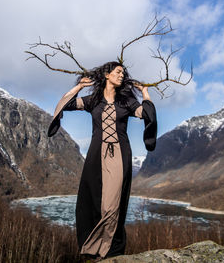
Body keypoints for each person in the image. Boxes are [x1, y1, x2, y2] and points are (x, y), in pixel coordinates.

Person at [48, 61, 157, 260]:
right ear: (107, 75)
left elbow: (147, 114)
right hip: (96, 155)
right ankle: (94, 250)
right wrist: (80, 86)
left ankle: (111, 250)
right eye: (118, 72)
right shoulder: (93, 101)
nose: (121, 75)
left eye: (123, 73)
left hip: (120, 154)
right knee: (93, 200)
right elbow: (66, 104)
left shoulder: (127, 102)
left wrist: (145, 93)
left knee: (112, 205)